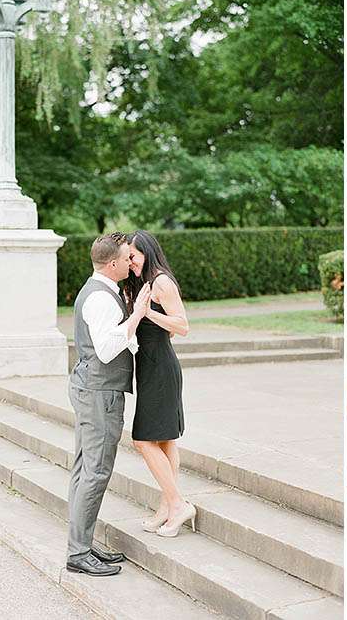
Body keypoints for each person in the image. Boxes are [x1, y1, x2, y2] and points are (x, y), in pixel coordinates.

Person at [67, 232, 150, 576]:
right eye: (127, 257)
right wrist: (137, 315)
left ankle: (81, 541)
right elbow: (105, 349)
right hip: (99, 393)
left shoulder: (101, 290)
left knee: (84, 468)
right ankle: (78, 552)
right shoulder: (100, 298)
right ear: (112, 263)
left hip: (92, 388)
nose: (131, 262)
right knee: (96, 470)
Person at [122, 230, 196, 537]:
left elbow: (183, 326)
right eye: (127, 258)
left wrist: (147, 312)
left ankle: (178, 505)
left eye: (133, 257)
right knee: (165, 441)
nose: (130, 263)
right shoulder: (139, 284)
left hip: (162, 367)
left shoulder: (162, 282)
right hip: (149, 368)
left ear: (147, 253)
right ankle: (167, 507)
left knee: (143, 440)